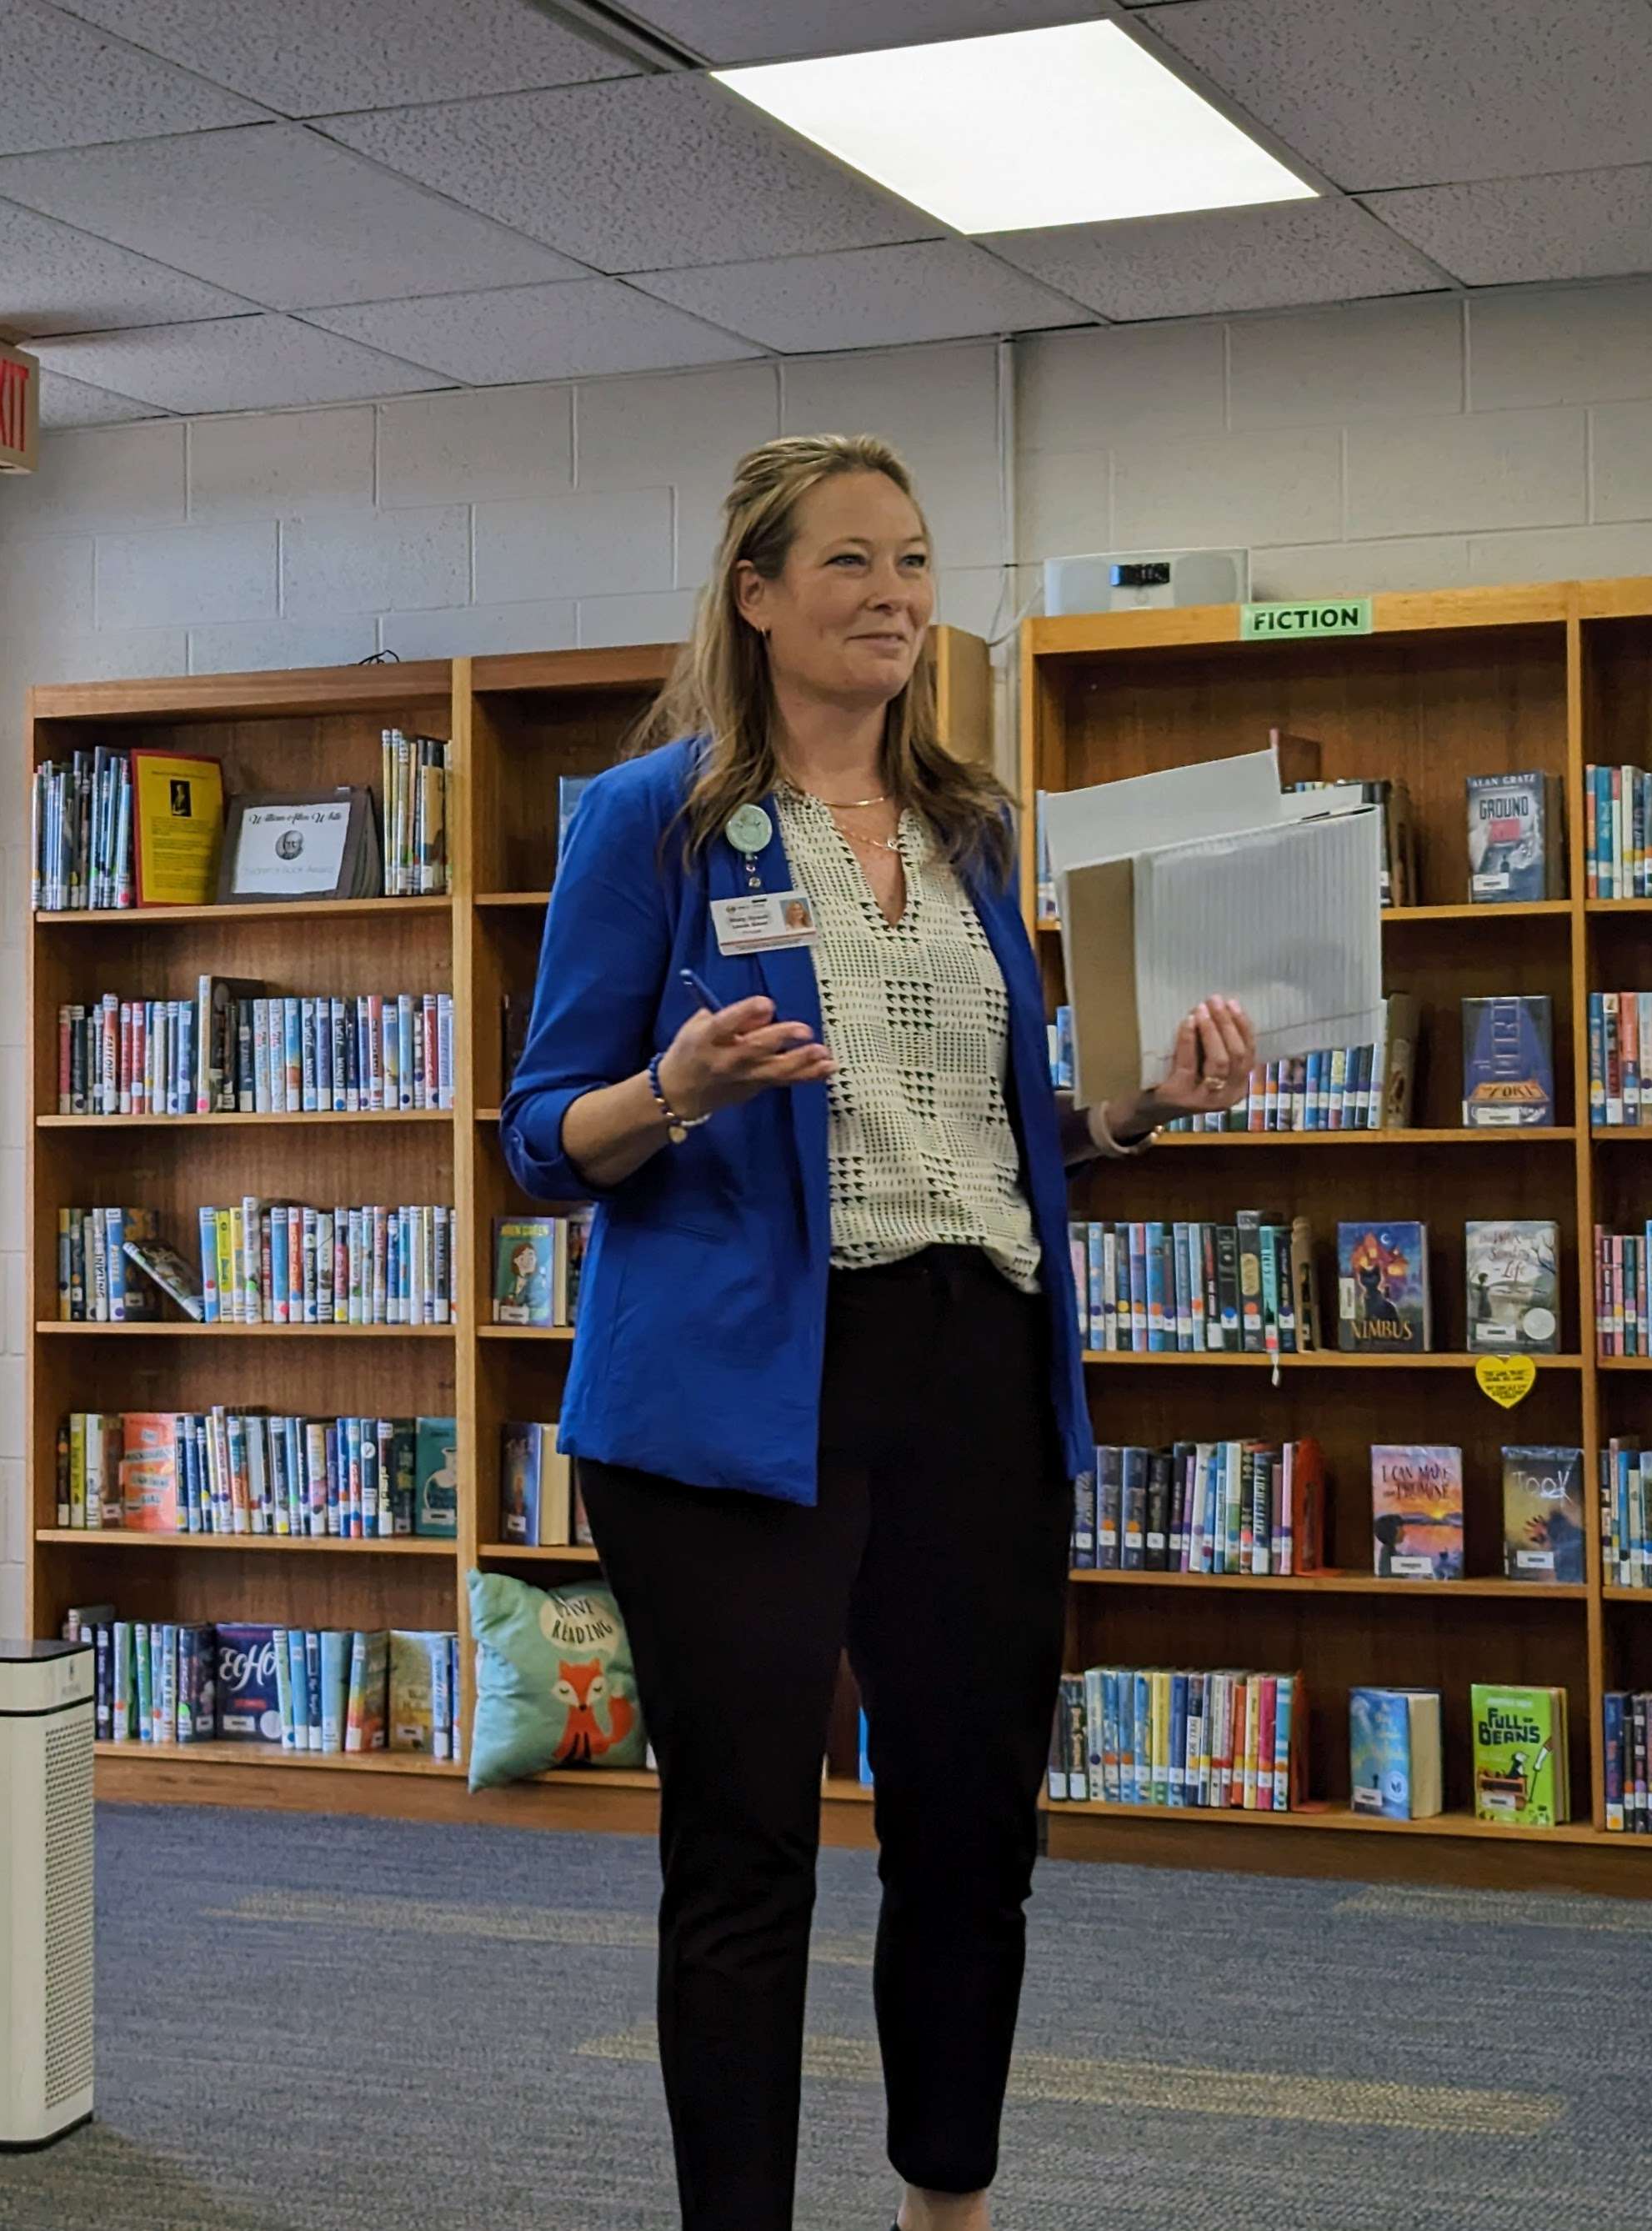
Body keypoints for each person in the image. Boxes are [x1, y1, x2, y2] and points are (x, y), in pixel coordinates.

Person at [501, 433, 1257, 2231]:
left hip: (972, 1371)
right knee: (745, 1849)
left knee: (970, 1831)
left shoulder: (972, 825)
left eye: (912, 561)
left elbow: (992, 1126)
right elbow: (540, 1141)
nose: (892, 597)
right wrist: (669, 1089)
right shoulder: (651, 823)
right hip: (733, 1394)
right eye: (846, 562)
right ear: (753, 595)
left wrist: (1134, 1106)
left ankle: (946, 2202)